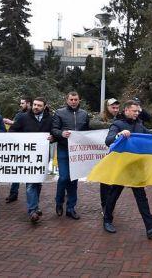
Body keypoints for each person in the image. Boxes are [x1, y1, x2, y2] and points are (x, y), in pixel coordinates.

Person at [102, 100, 152, 239]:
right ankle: (107, 220)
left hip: (135, 168)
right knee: (113, 194)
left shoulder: (139, 124)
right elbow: (108, 140)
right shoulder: (118, 124)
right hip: (121, 167)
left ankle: (151, 227)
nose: (137, 113)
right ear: (126, 110)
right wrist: (119, 134)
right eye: (134, 111)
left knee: (141, 197)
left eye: (138, 111)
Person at [9, 97, 54, 223]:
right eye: (34, 104)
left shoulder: (50, 119)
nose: (36, 107)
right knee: (30, 183)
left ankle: (35, 205)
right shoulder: (23, 117)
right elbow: (13, 131)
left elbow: (54, 132)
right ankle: (32, 210)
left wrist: (53, 138)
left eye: (39, 105)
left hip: (43, 156)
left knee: (38, 182)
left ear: (44, 106)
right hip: (27, 156)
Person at [51, 91, 90, 220]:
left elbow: (87, 132)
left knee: (74, 179)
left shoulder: (84, 114)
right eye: (71, 99)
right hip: (63, 149)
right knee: (64, 177)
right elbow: (54, 129)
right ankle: (59, 202)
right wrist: (61, 133)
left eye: (76, 99)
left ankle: (71, 208)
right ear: (67, 100)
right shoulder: (59, 112)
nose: (73, 101)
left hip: (78, 151)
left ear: (79, 100)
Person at [90, 98, 121, 211]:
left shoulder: (120, 117)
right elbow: (92, 123)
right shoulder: (101, 116)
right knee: (105, 181)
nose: (115, 110)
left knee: (115, 181)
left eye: (117, 108)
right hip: (103, 154)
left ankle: (110, 204)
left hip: (116, 154)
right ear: (107, 107)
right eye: (113, 107)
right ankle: (105, 205)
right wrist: (111, 125)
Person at [4, 96, 32, 203]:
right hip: (18, 146)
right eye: (20, 103)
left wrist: (12, 123)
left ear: (28, 103)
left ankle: (30, 196)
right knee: (16, 170)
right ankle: (13, 193)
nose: (20, 105)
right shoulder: (19, 114)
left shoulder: (33, 116)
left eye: (22, 103)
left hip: (29, 147)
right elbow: (15, 129)